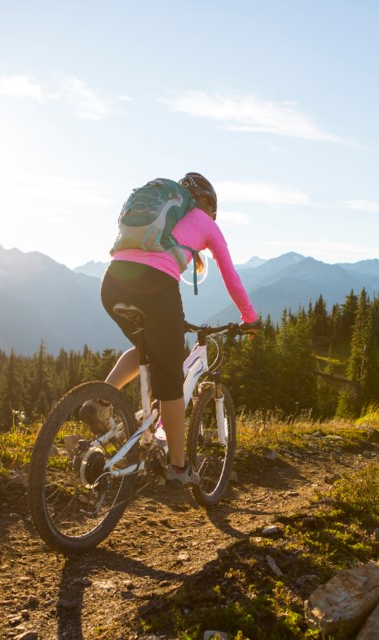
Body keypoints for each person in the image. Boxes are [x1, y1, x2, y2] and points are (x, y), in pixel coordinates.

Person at [87, 172, 258, 488]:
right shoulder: (206, 223)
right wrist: (250, 318)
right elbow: (231, 277)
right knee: (170, 379)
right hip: (155, 286)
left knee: (146, 350)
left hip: (112, 283)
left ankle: (98, 403)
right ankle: (178, 467)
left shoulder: (162, 210)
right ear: (209, 206)